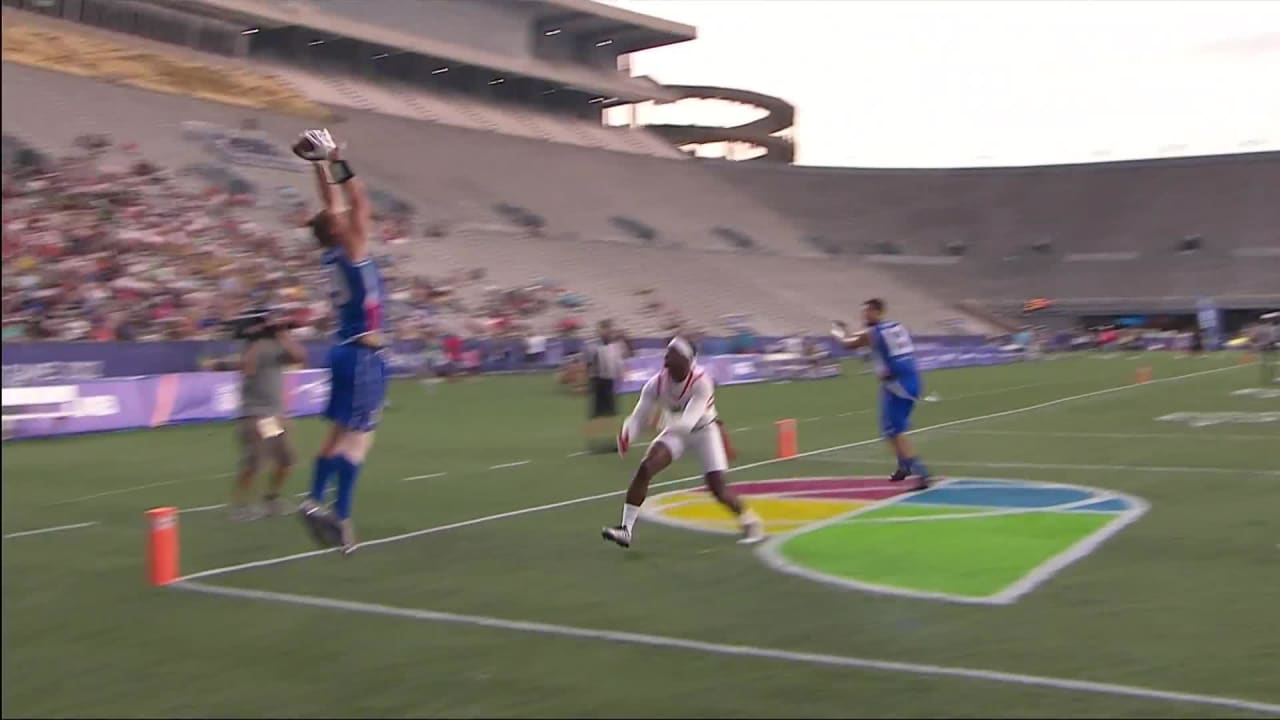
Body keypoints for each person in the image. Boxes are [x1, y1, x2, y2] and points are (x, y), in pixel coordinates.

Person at [292, 128, 388, 554]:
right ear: (337, 228)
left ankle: (318, 500)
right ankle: (336, 512)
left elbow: (331, 204)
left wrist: (318, 164)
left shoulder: (332, 251)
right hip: (363, 353)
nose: (345, 214)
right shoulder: (351, 248)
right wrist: (334, 158)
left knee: (336, 435)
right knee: (359, 440)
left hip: (342, 350)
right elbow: (358, 201)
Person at [602, 337, 761, 549]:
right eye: (667, 353)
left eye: (672, 353)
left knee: (718, 488)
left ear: (686, 360)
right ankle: (626, 529)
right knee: (646, 467)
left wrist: (660, 422)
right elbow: (638, 416)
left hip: (704, 431)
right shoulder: (656, 384)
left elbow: (688, 422)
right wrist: (626, 434)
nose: (666, 358)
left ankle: (750, 521)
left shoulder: (702, 382)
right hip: (675, 432)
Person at [831, 298, 931, 490]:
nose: (863, 316)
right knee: (888, 430)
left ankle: (922, 474)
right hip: (900, 381)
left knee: (895, 431)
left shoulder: (872, 332)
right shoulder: (895, 325)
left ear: (878, 312)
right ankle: (905, 466)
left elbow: (848, 344)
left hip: (898, 384)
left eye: (867, 312)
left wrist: (837, 333)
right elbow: (868, 337)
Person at [228, 309, 308, 520]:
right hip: (256, 414)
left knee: (286, 460)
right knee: (255, 462)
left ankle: (272, 498)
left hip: (273, 417)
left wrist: (283, 335)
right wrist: (257, 337)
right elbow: (248, 368)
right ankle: (240, 504)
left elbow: (299, 357)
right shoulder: (255, 347)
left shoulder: (275, 345)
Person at [584, 319, 627, 453]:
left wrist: (620, 377)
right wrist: (589, 380)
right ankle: (594, 443)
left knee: (611, 413)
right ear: (600, 330)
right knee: (596, 414)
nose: (607, 332)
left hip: (610, 382)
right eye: (604, 329)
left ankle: (613, 442)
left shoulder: (616, 346)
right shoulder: (593, 346)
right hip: (598, 381)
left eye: (609, 329)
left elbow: (619, 363)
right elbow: (588, 364)